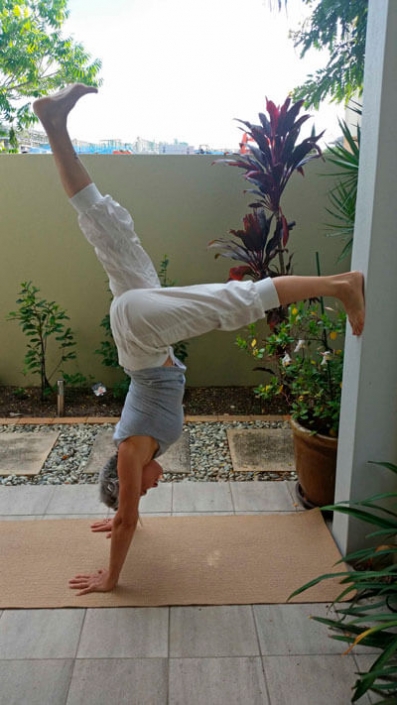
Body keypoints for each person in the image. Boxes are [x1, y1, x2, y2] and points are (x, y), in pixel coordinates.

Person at [33, 84, 365, 595]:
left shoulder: (130, 455)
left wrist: (111, 575)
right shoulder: (134, 460)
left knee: (232, 304)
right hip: (139, 332)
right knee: (108, 227)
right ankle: (54, 124)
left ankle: (341, 285)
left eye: (142, 492)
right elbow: (126, 513)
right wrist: (124, 512)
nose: (156, 484)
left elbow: (124, 516)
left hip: (140, 334)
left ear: (129, 483)